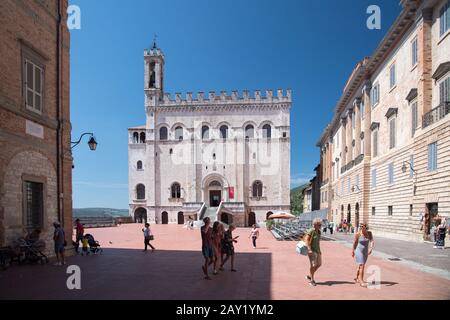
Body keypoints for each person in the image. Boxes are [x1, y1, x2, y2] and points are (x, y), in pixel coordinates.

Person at [304, 218, 322, 286]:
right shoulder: (311, 231)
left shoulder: (319, 232)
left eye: (320, 225)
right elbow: (306, 239)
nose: (320, 226)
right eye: (319, 225)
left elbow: (317, 242)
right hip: (312, 251)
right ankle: (312, 280)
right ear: (315, 225)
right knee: (313, 265)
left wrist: (320, 251)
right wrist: (309, 249)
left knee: (319, 264)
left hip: (318, 250)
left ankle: (310, 275)